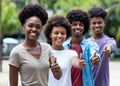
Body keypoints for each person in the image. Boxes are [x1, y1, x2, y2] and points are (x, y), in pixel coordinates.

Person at [9, 4, 62, 86]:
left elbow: (58, 76)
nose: (34, 29)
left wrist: (57, 70)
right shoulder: (16, 52)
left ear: (41, 29)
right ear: (23, 26)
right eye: (30, 26)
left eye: (38, 27)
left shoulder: (47, 48)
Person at [44, 15, 86, 86]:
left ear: (66, 35)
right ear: (50, 34)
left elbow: (75, 61)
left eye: (63, 33)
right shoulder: (44, 53)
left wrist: (79, 64)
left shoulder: (70, 53)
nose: (60, 36)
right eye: (56, 33)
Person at [63, 9, 100, 86]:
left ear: (85, 27)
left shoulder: (90, 45)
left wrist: (95, 58)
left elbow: (94, 52)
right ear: (69, 26)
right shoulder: (64, 46)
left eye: (81, 24)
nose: (78, 27)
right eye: (74, 24)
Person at [88, 7, 116, 86]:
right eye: (94, 23)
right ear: (90, 25)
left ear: (104, 24)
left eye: (99, 22)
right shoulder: (86, 43)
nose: (97, 25)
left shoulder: (108, 41)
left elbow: (111, 45)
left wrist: (109, 48)